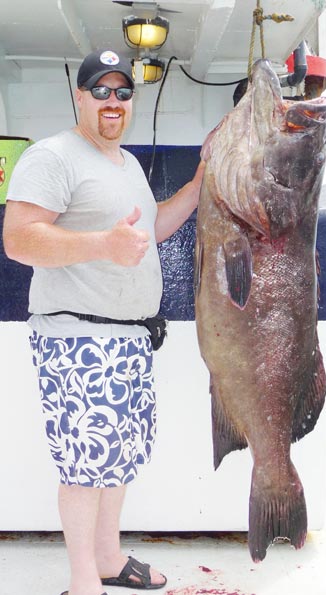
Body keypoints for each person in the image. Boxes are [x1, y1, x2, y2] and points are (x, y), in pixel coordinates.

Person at [3, 48, 205, 595]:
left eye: (122, 92)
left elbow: (152, 229)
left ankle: (110, 559)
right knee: (84, 463)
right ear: (79, 95)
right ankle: (82, 580)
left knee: (118, 457)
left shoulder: (127, 163)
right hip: (77, 338)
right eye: (100, 90)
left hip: (128, 338)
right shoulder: (53, 156)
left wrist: (199, 183)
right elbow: (19, 239)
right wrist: (102, 244)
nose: (111, 101)